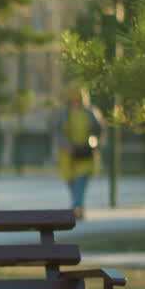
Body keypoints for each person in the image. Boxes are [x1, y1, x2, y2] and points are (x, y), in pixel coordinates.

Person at [54, 88, 104, 219]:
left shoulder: (91, 113)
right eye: (74, 100)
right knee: (72, 183)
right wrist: (66, 146)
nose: (76, 102)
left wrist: (95, 145)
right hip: (68, 155)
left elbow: (99, 131)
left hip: (85, 154)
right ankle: (78, 207)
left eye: (79, 99)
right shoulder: (64, 114)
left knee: (81, 181)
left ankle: (76, 207)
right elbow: (57, 132)